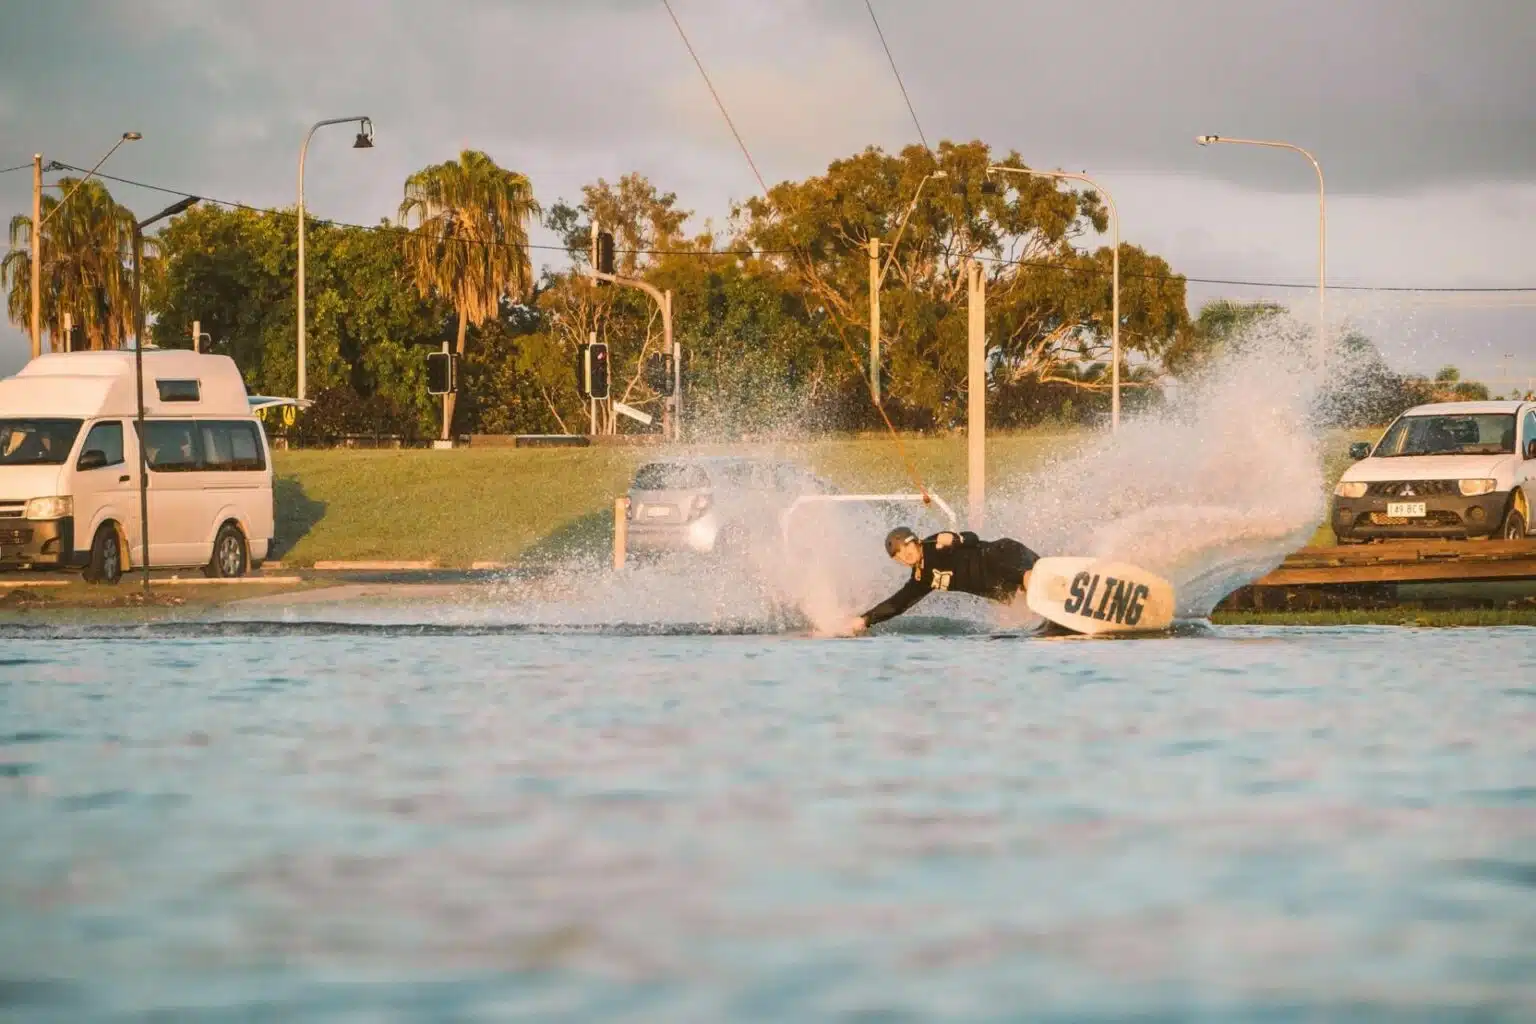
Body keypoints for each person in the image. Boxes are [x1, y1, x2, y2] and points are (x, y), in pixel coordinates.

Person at [844, 526, 1042, 633]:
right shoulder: (922, 579)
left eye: (906, 547)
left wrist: (956, 539)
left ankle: (1041, 587)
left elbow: (972, 537)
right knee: (1021, 609)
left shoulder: (936, 545)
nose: (905, 555)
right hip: (1002, 586)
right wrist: (865, 620)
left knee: (1027, 577)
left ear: (916, 541)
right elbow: (898, 603)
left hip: (1003, 555)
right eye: (898, 556)